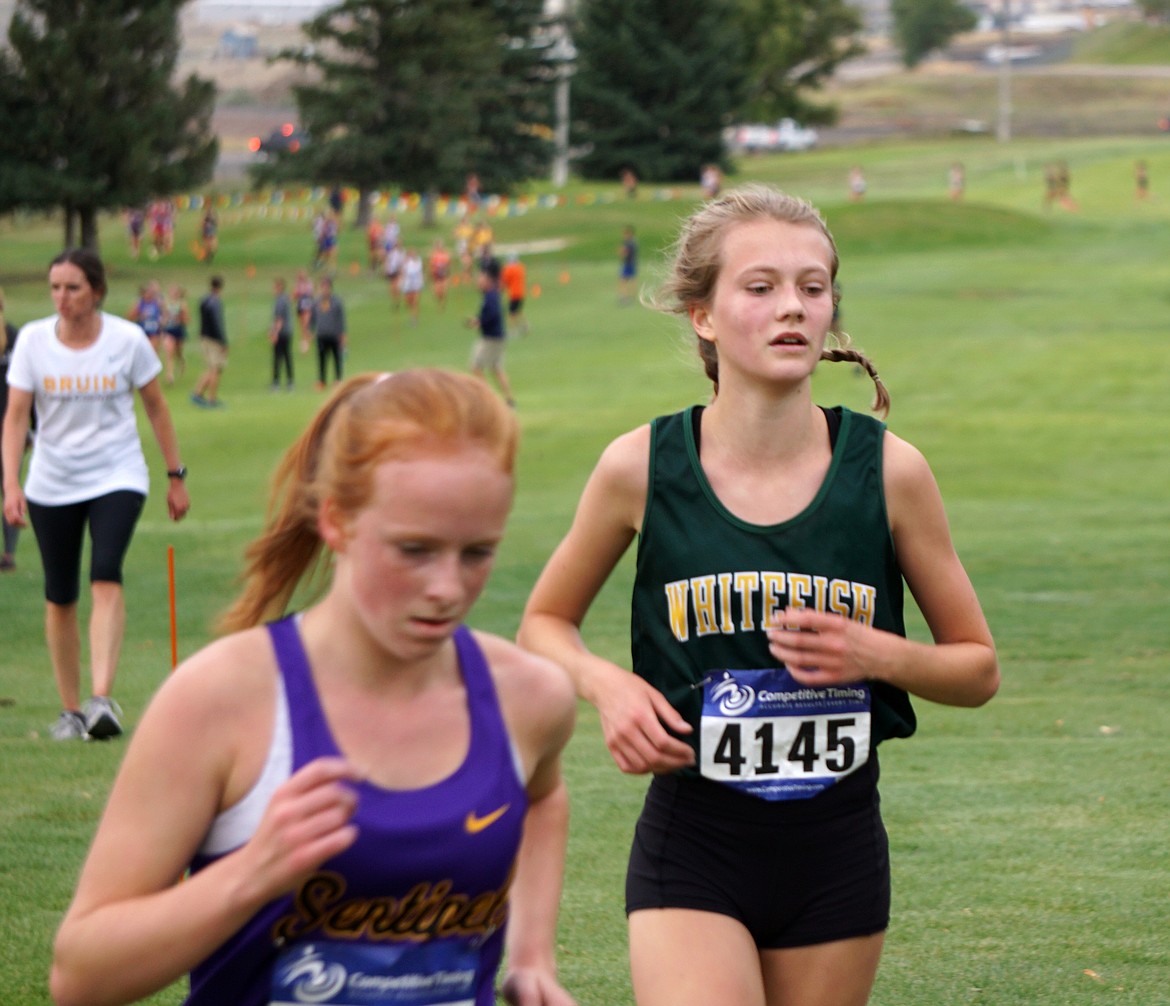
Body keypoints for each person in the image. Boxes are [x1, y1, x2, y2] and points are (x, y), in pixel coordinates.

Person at [517, 184, 999, 1006]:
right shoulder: (642, 466)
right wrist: (610, 688)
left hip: (837, 847)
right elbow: (544, 622)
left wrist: (875, 653)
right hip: (696, 840)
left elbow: (977, 668)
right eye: (761, 286)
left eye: (814, 288)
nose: (794, 308)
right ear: (703, 315)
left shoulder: (890, 472)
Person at [49, 369, 577, 1006]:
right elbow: (80, 976)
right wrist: (250, 874)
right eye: (414, 549)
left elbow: (543, 798)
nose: (447, 588)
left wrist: (532, 956)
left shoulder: (528, 697)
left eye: (476, 553)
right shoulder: (220, 701)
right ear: (335, 521)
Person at [1, 249, 191, 741]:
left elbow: (156, 407)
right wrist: (11, 484)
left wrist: (175, 475)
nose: (62, 298)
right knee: (59, 594)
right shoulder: (33, 343)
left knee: (106, 572)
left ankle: (101, 700)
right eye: (55, 288)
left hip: (116, 474)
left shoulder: (127, 341)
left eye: (73, 288)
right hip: (52, 481)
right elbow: (16, 416)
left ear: (98, 291)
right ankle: (70, 712)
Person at [1, 286, 26, 571]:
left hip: (9, 428)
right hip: (13, 428)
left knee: (9, 488)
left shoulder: (15, 338)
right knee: (9, 487)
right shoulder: (16, 336)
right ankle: (8, 554)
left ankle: (7, 553)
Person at [468, 260, 515, 407]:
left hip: (491, 338)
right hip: (497, 337)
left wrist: (480, 322)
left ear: (488, 279)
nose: (478, 280)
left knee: (475, 367)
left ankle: (490, 401)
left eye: (480, 277)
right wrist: (479, 320)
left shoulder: (491, 295)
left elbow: (493, 314)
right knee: (496, 368)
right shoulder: (491, 294)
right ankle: (509, 401)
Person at [192, 276, 228, 408]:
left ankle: (197, 393)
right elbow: (217, 323)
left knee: (211, 368)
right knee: (216, 368)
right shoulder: (215, 302)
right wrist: (223, 341)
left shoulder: (204, 299)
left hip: (204, 337)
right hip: (213, 339)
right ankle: (211, 398)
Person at [309, 275, 347, 389]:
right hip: (321, 334)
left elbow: (341, 319)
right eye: (323, 287)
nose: (324, 289)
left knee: (336, 358)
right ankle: (322, 380)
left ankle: (338, 379)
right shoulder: (317, 302)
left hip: (334, 334)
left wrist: (343, 334)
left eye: (326, 287)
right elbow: (313, 317)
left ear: (330, 288)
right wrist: (311, 330)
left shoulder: (336, 302)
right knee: (322, 359)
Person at [269, 277, 294, 391]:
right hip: (287, 332)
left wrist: (274, 332)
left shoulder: (280, 300)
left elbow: (279, 319)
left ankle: (276, 382)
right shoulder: (285, 299)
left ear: (279, 287)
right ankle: (290, 382)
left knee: (278, 358)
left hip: (282, 333)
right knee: (287, 356)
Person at [161, 284, 189, 385]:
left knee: (178, 352)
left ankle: (181, 361)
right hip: (168, 330)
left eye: (175, 292)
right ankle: (170, 375)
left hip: (179, 330)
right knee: (169, 352)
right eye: (171, 292)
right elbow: (163, 316)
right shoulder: (165, 303)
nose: (173, 294)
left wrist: (180, 319)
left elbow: (187, 320)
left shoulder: (182, 304)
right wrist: (163, 322)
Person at [501, 252, 529, 337]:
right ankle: (526, 326)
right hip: (521, 292)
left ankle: (512, 331)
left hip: (513, 293)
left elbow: (505, 281)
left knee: (511, 313)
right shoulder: (521, 267)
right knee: (517, 312)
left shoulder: (508, 269)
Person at [618, 225, 638, 305]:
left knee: (624, 281)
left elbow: (624, 253)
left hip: (628, 264)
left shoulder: (629, 243)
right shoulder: (634, 242)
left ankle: (626, 297)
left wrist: (621, 251)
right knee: (631, 280)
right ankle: (632, 296)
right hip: (632, 264)